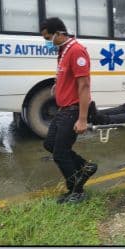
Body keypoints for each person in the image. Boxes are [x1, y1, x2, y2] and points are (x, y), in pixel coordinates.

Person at [39, 17, 96, 204]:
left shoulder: (77, 51)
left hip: (73, 110)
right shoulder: (63, 51)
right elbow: (66, 76)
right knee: (49, 144)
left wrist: (82, 119)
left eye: (49, 38)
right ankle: (86, 167)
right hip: (63, 108)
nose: (48, 42)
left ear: (59, 33)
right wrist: (58, 84)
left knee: (60, 153)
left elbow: (84, 85)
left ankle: (76, 191)